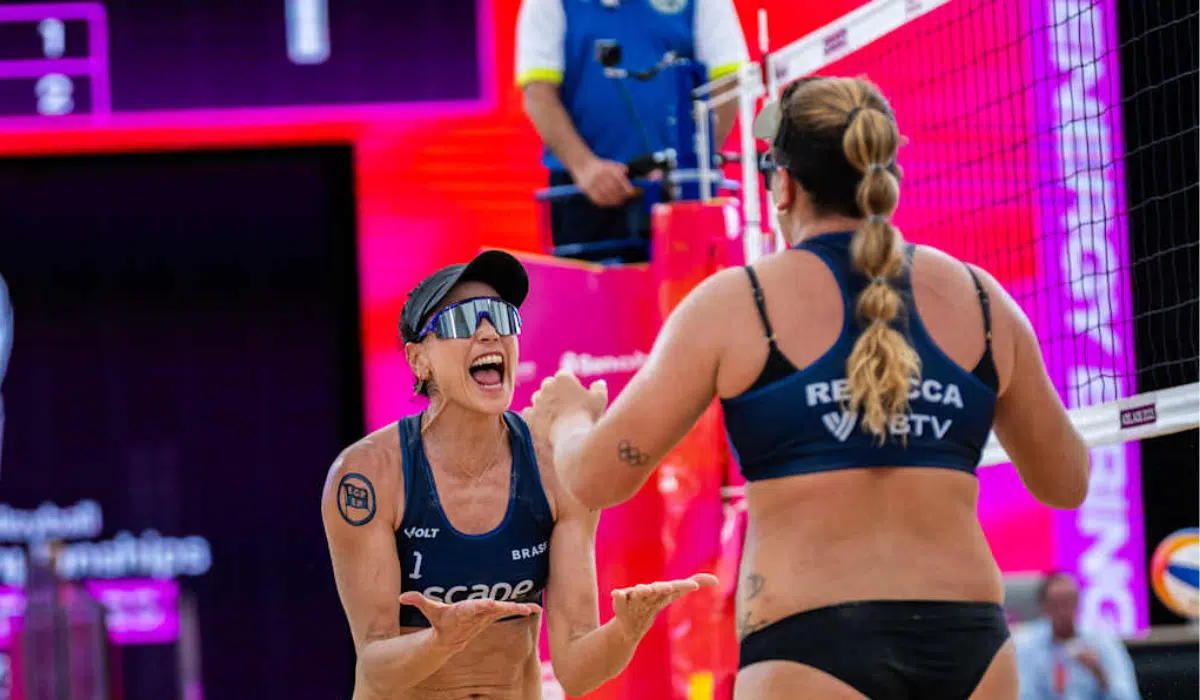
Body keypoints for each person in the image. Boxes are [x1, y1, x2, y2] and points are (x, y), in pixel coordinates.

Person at [523, 76, 1092, 699]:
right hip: (971, 648)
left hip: (811, 647)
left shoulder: (739, 303)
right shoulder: (983, 301)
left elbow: (598, 479)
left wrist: (569, 420)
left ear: (784, 185)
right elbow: (1066, 483)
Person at [321, 249, 715, 700]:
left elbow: (577, 669)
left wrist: (626, 630)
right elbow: (377, 662)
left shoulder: (554, 468)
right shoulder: (370, 474)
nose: (489, 332)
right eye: (463, 321)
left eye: (501, 317)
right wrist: (442, 640)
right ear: (419, 361)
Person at [516, 0, 749, 261]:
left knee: (691, 293)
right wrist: (585, 168)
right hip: (583, 196)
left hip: (681, 195)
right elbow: (538, 94)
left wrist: (689, 168)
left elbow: (727, 84)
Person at [1014, 571, 1142, 700]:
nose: (1063, 611)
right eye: (1056, 604)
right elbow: (1022, 695)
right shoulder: (1025, 644)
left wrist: (1100, 673)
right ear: (1043, 607)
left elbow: (1129, 696)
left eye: (1069, 603)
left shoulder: (1103, 641)